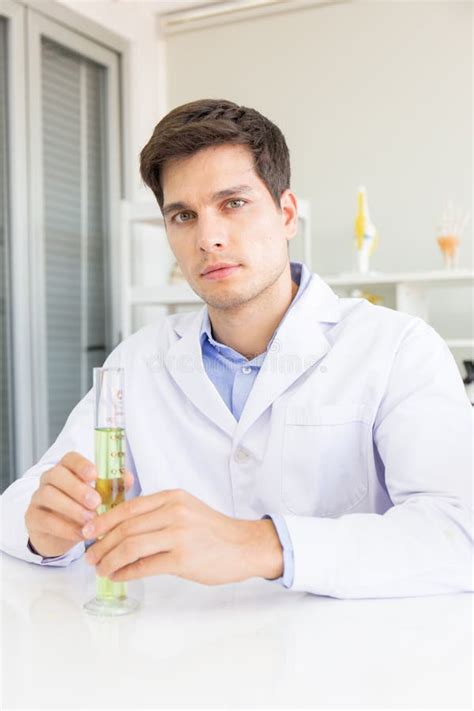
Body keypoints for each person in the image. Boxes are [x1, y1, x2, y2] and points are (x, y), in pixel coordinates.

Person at [1, 99, 472, 598]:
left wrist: (259, 545)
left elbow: (458, 531)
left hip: (347, 664)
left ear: (286, 213)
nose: (209, 238)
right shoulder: (137, 362)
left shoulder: (396, 347)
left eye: (233, 203)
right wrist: (44, 531)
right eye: (183, 216)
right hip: (173, 661)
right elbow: (21, 509)